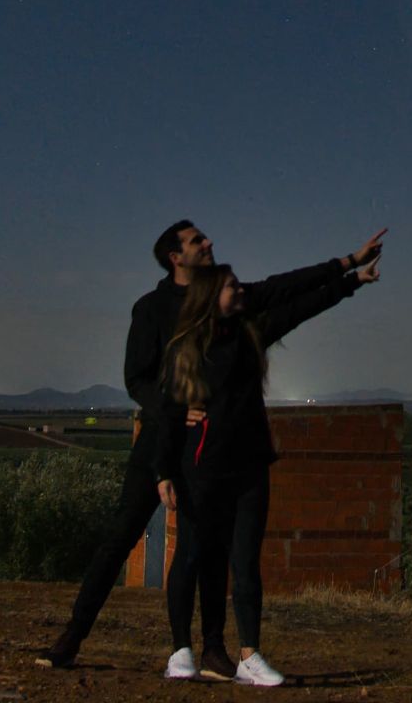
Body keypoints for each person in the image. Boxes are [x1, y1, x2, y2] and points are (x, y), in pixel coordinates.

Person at [38, 221, 385, 670]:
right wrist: (173, 412)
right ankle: (74, 634)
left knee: (209, 547)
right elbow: (136, 379)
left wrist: (349, 265)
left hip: (210, 446)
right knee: (122, 534)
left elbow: (288, 292)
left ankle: (213, 648)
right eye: (197, 241)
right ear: (174, 257)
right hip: (164, 438)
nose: (209, 243)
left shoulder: (226, 298)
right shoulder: (152, 309)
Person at [154, 258, 379, 685]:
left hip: (250, 468)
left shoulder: (250, 334)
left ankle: (249, 655)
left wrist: (352, 282)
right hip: (200, 470)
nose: (241, 292)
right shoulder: (186, 348)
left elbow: (301, 307)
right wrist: (163, 471)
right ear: (209, 296)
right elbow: (166, 414)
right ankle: (180, 649)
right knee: (190, 556)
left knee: (245, 563)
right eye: (232, 288)